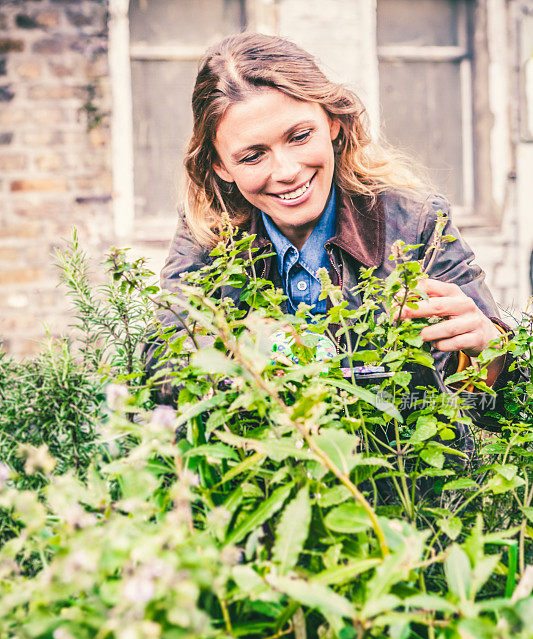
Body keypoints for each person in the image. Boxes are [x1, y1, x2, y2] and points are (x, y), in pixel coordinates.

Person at [143, 32, 519, 427]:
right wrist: (244, 352)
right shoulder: (208, 234)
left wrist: (489, 351)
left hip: (402, 484)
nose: (287, 172)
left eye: (300, 136)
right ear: (220, 166)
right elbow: (165, 368)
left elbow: (503, 409)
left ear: (334, 124)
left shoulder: (417, 224)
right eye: (253, 156)